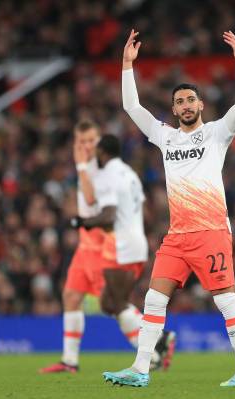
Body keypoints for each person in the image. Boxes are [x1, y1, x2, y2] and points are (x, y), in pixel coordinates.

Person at [103, 29, 235, 387]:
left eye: (191, 100)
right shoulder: (165, 137)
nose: (186, 105)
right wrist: (127, 66)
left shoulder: (218, 134)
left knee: (226, 302)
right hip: (178, 236)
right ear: (173, 109)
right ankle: (140, 369)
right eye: (180, 102)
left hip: (211, 231)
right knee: (154, 299)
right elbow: (131, 107)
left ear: (200, 105)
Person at [40, 122, 173, 374]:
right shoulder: (106, 168)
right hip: (86, 243)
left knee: (113, 304)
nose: (86, 146)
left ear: (99, 142)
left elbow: (93, 202)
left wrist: (80, 167)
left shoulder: (99, 169)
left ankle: (156, 343)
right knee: (71, 295)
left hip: (102, 242)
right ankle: (70, 360)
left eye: (91, 141)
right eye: (81, 142)